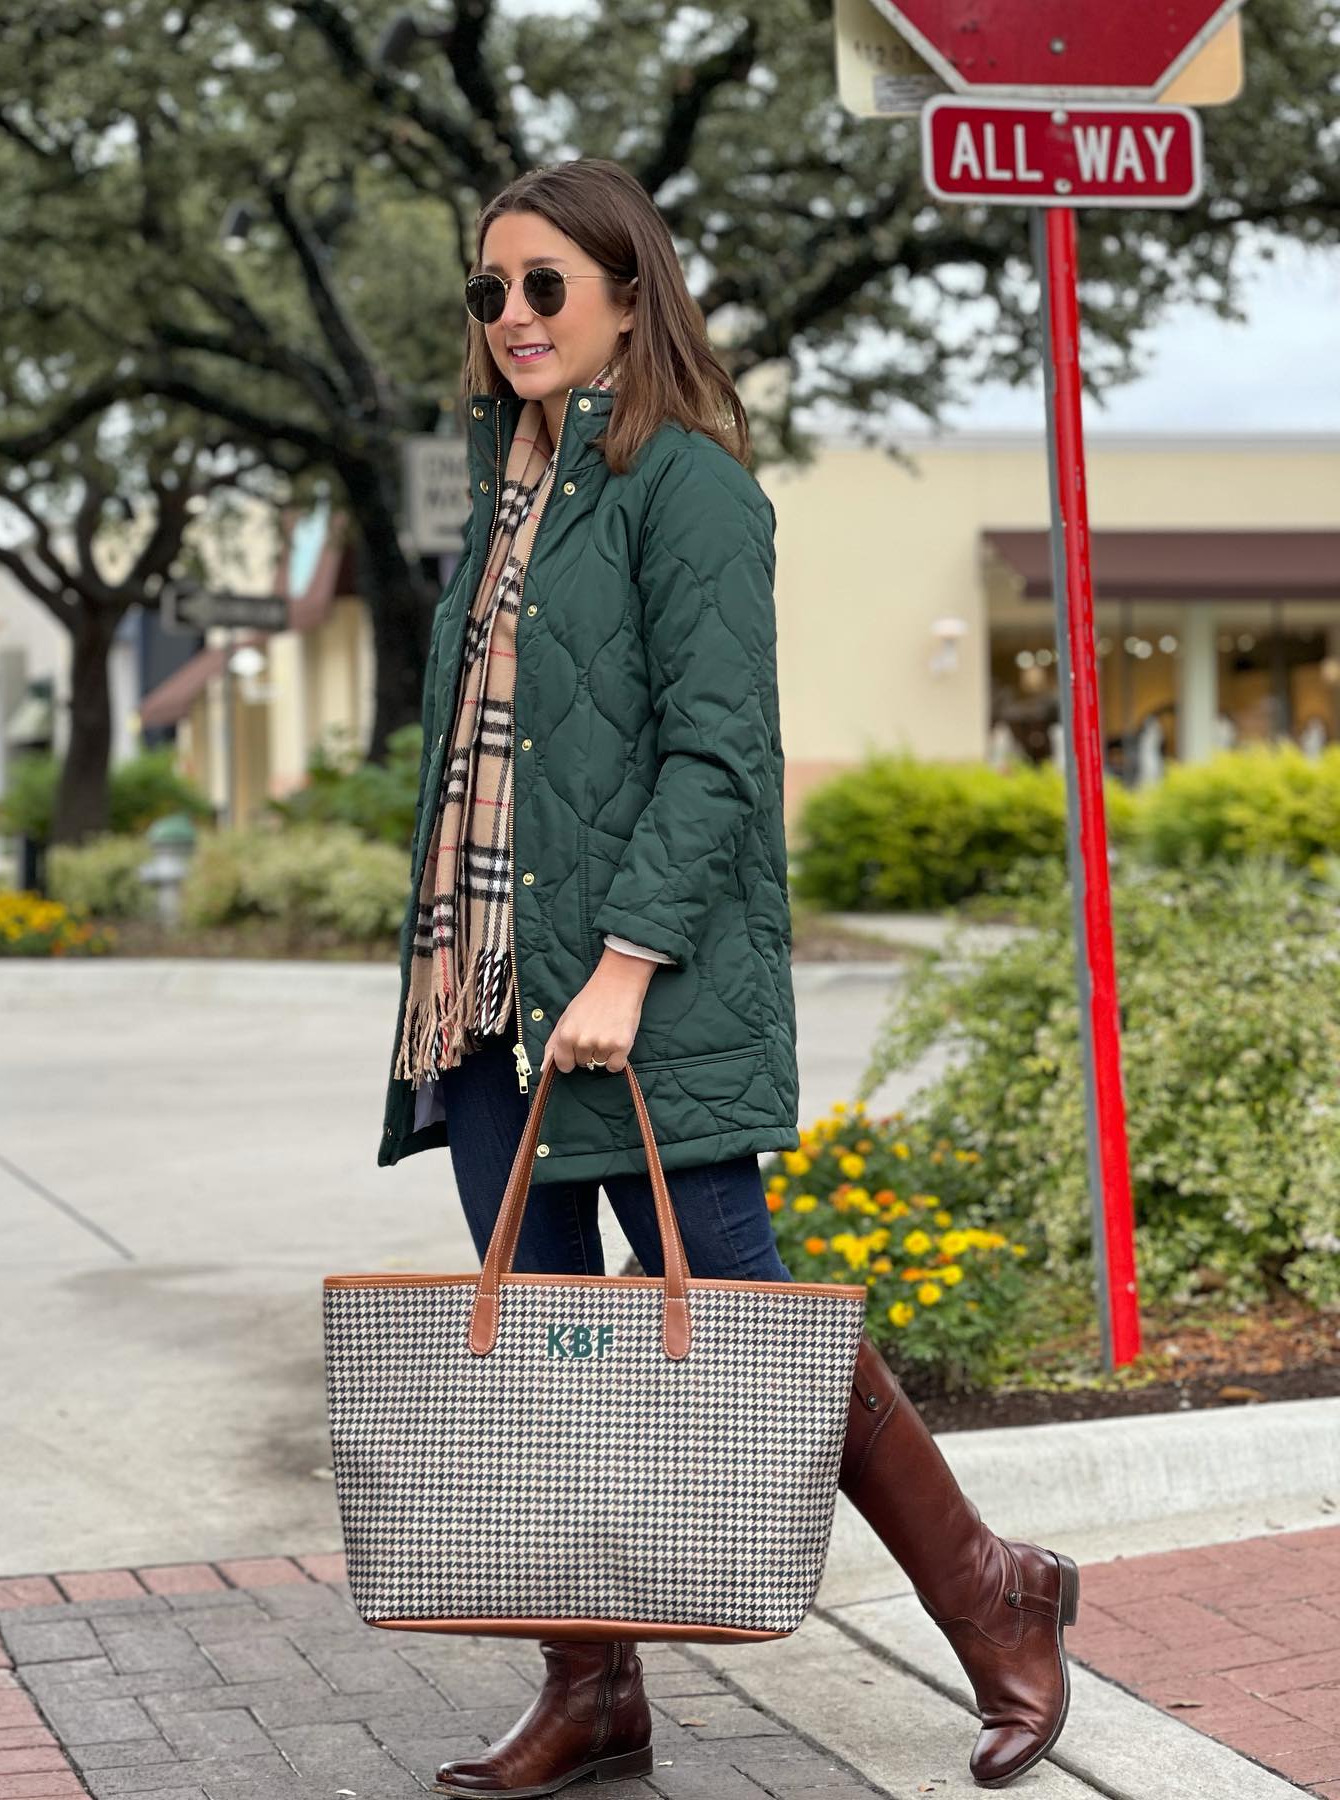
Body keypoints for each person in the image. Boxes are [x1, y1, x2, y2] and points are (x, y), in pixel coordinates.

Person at [379, 157, 1079, 1796]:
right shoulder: (503, 493)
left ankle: (1000, 1598)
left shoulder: (684, 482)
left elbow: (715, 757)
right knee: (545, 1339)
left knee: (746, 1305)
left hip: (638, 985)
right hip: (487, 991)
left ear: (632, 288)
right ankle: (594, 1689)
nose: (515, 318)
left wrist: (624, 962)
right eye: (490, 292)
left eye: (547, 283)